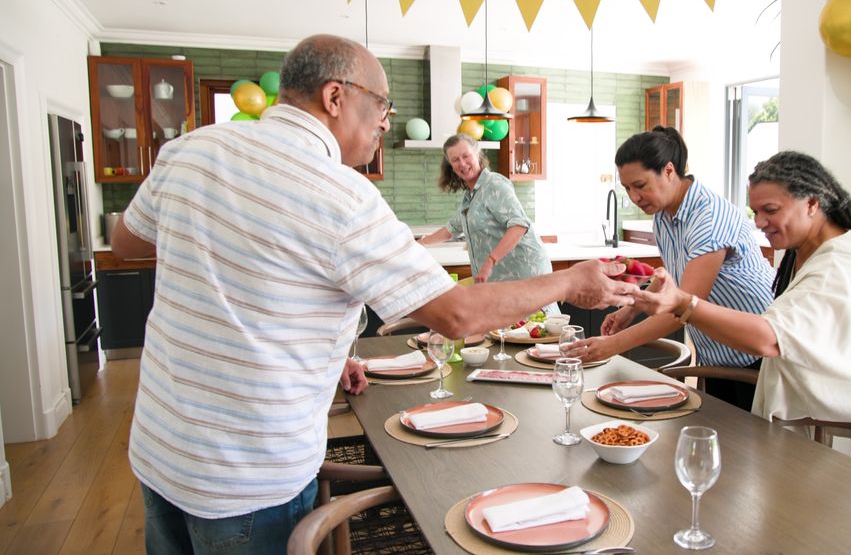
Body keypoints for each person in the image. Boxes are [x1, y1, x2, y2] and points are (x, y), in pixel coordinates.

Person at [110, 34, 636, 555]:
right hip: (248, 473)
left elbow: (127, 241)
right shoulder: (341, 193)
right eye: (382, 103)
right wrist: (569, 281)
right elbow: (456, 317)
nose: (386, 119)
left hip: (160, 449)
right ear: (335, 97)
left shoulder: (190, 149)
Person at [630, 150, 851, 487]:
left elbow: (768, 338)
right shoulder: (810, 249)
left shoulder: (836, 267)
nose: (760, 222)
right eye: (755, 212)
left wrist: (684, 303)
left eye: (770, 210)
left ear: (812, 203)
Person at [567, 126, 774, 410]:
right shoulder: (664, 215)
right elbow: (673, 282)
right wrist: (632, 308)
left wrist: (611, 346)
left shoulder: (708, 217)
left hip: (757, 354)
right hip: (719, 353)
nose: (634, 198)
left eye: (640, 186)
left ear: (668, 170)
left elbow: (683, 309)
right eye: (627, 188)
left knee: (756, 448)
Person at [418, 134, 558, 314]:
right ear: (450, 165)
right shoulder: (471, 194)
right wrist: (421, 243)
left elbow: (519, 225)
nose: (462, 163)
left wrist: (489, 262)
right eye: (455, 159)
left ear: (477, 154)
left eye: (466, 156)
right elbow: (452, 229)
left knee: (536, 331)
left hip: (524, 271)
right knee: (512, 334)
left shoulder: (494, 184)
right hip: (502, 280)